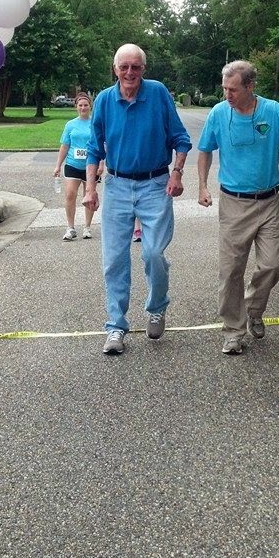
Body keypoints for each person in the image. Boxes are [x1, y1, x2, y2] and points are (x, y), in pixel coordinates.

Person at [197, 60, 279, 355]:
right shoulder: (219, 113)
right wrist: (202, 185)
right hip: (233, 203)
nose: (227, 95)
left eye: (232, 89)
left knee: (272, 265)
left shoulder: (272, 111)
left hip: (269, 202)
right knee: (231, 271)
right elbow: (205, 150)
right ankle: (234, 331)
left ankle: (253, 310)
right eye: (224, 88)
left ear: (250, 86)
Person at [83, 43, 192, 355]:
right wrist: (91, 189)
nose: (130, 72)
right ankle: (116, 327)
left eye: (136, 67)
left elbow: (181, 139)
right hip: (116, 185)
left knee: (154, 254)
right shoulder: (104, 99)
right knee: (114, 260)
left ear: (144, 69)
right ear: (115, 69)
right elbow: (94, 149)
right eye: (124, 67)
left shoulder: (157, 94)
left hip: (155, 184)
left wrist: (177, 173)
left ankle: (157, 306)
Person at [53, 92, 104, 241]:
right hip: (72, 164)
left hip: (91, 166)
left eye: (86, 105)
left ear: (90, 106)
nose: (83, 108)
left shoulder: (95, 123)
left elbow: (101, 145)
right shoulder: (70, 125)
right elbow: (65, 146)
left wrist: (101, 163)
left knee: (88, 196)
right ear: (76, 107)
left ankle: (87, 227)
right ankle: (70, 228)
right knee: (70, 194)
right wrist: (57, 165)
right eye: (80, 105)